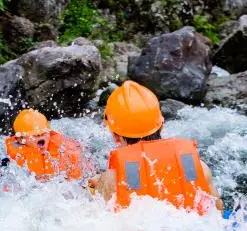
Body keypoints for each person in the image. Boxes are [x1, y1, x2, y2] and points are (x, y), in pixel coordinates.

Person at [90, 80, 224, 213]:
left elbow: (100, 219)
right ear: (161, 125)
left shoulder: (112, 179)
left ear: (115, 136)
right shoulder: (199, 167)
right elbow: (218, 211)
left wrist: (98, 185)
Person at [4, 109, 85, 181]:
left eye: (43, 133)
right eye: (35, 135)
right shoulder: (16, 153)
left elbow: (78, 177)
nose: (40, 136)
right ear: (21, 139)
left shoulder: (63, 148)